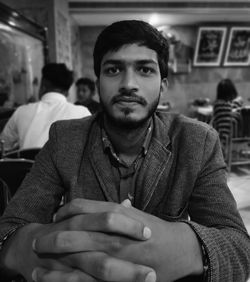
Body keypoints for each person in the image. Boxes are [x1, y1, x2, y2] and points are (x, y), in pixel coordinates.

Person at [0, 20, 250, 282]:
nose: (128, 83)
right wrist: (31, 249)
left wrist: (184, 245)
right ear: (98, 83)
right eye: (113, 69)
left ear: (162, 86)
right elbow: (9, 228)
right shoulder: (65, 139)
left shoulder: (197, 141)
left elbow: (238, 247)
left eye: (144, 69)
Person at [0, 63, 90, 151]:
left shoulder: (21, 111)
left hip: (28, 165)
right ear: (67, 92)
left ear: (43, 85)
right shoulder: (82, 113)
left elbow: (3, 146)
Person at [212, 78, 243, 152]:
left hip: (221, 134)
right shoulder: (229, 105)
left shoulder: (218, 104)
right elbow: (238, 101)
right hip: (232, 133)